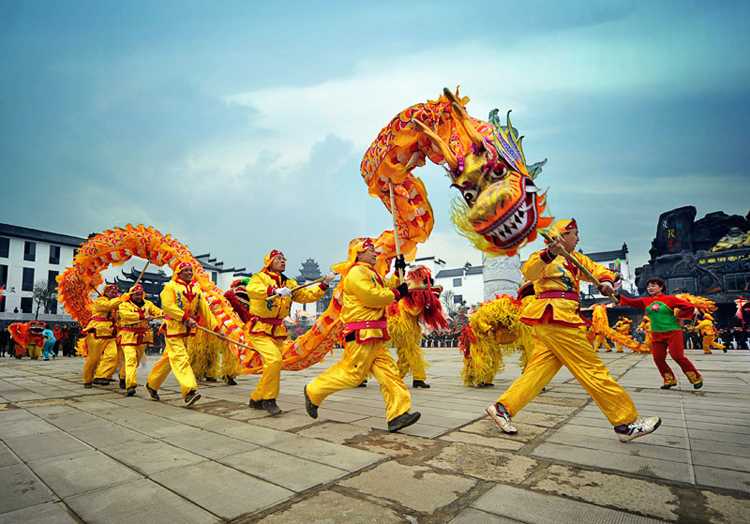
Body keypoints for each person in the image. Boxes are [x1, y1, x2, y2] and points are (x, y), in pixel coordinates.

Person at [485, 219, 661, 442]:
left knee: (539, 371)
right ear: (563, 235)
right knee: (591, 368)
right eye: (575, 234)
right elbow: (529, 272)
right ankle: (626, 422)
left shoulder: (576, 259)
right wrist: (549, 252)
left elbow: (597, 270)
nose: (578, 238)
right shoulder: (544, 255)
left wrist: (605, 281)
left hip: (559, 319)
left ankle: (503, 408)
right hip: (556, 317)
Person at [303, 237, 421, 433]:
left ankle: (398, 414)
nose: (375, 253)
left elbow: (386, 287)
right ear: (358, 253)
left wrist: (400, 272)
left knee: (390, 373)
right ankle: (313, 391)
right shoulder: (356, 273)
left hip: (374, 334)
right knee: (353, 375)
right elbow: (373, 297)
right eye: (370, 250)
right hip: (361, 334)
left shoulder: (370, 273)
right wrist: (398, 292)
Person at [245, 250, 333, 415]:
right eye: (278, 258)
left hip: (278, 330)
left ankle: (256, 398)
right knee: (274, 360)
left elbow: (306, 296)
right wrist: (273, 291)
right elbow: (252, 289)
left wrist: (324, 285)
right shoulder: (260, 278)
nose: (283, 261)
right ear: (269, 261)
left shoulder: (289, 283)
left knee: (274, 366)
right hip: (260, 329)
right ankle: (269, 400)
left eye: (284, 258)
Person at [145, 262, 218, 407]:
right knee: (181, 358)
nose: (189, 273)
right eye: (185, 270)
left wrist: (216, 328)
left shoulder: (196, 289)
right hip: (173, 328)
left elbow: (205, 310)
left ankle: (152, 384)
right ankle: (189, 391)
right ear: (178, 272)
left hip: (187, 331)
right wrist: (185, 318)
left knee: (168, 360)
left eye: (191, 270)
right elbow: (168, 306)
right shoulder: (170, 287)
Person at [619, 277, 703, 389]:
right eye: (648, 286)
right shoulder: (645, 301)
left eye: (653, 285)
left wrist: (680, 316)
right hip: (657, 334)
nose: (650, 288)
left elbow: (689, 307)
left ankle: (695, 378)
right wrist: (615, 295)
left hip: (673, 332)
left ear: (661, 287)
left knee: (677, 356)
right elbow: (630, 301)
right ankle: (669, 379)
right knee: (658, 358)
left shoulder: (670, 299)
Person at [117, 284, 163, 397]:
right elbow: (126, 315)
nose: (139, 296)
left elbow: (157, 311)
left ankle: (123, 376)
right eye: (136, 294)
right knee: (130, 358)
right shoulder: (124, 305)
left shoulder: (148, 304)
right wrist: (142, 317)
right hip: (128, 335)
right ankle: (131, 385)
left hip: (143, 336)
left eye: (140, 294)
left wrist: (166, 314)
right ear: (131, 295)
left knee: (136, 361)